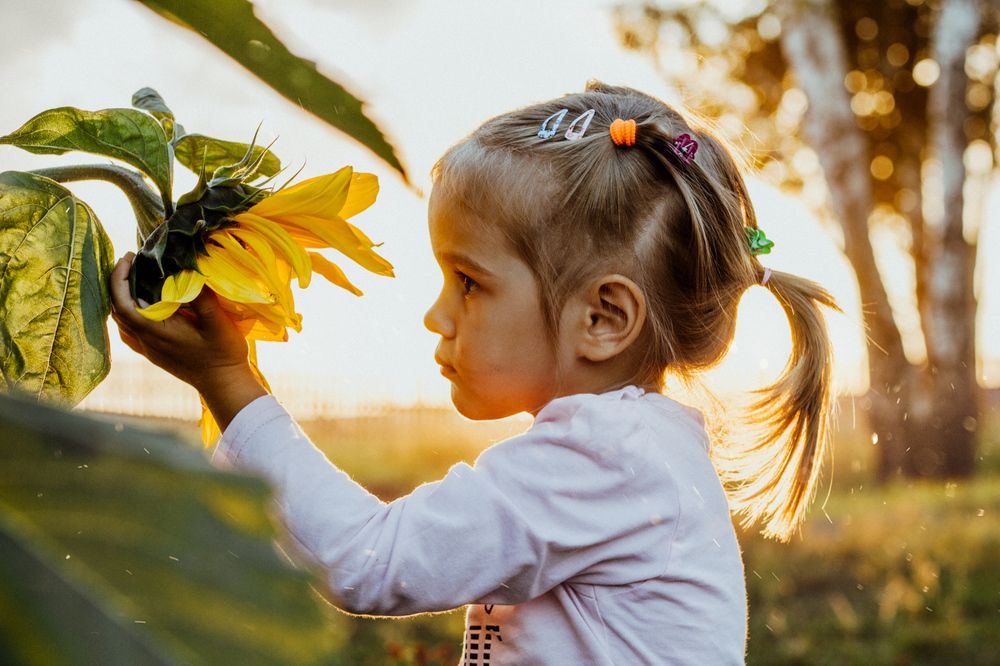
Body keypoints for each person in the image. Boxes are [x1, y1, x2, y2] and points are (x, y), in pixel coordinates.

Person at [110, 81, 839, 665]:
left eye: (469, 282)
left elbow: (370, 561)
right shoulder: (632, 450)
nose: (438, 315)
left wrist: (230, 385)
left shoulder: (603, 457)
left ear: (604, 318)